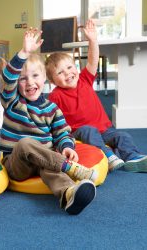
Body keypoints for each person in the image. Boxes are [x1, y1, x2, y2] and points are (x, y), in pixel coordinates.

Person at [0, 28, 97, 215]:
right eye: (23, 79)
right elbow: (7, 80)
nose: (29, 83)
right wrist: (24, 53)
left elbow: (62, 133)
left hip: (46, 159)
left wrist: (67, 146)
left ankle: (68, 194)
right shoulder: (12, 102)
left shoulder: (52, 108)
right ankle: (69, 168)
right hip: (17, 163)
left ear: (45, 78)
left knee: (51, 169)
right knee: (26, 143)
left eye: (35, 76)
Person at [46, 19, 147, 172]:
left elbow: (93, 61)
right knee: (89, 131)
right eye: (60, 72)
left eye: (69, 67)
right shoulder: (55, 96)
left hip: (105, 129)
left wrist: (93, 40)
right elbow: (50, 118)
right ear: (53, 81)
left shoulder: (85, 79)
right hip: (80, 131)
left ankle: (133, 157)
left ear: (76, 67)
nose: (67, 73)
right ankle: (108, 155)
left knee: (123, 136)